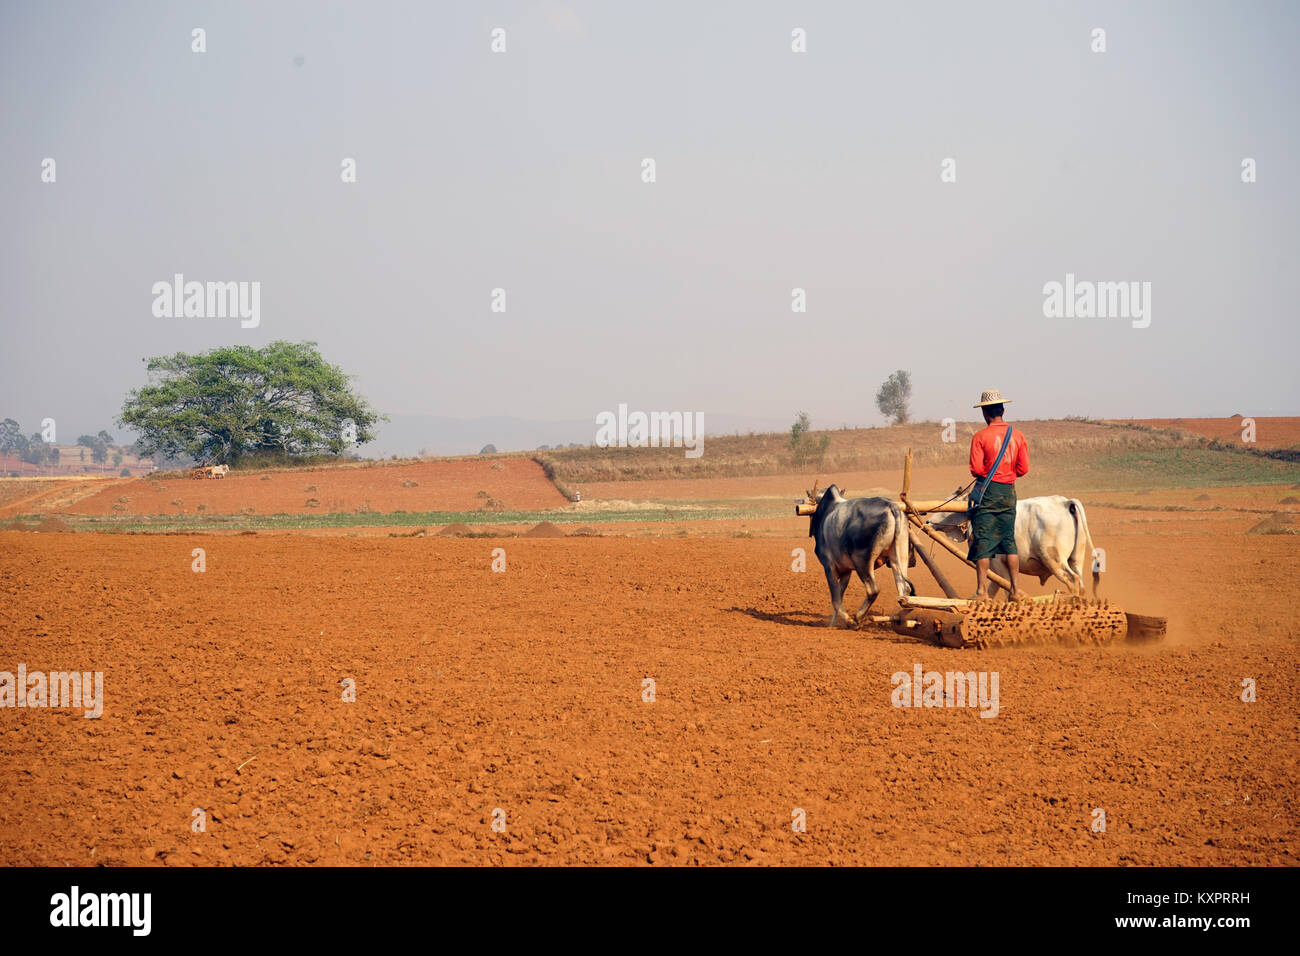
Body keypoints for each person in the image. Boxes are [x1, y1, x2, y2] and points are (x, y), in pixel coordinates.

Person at [967, 389, 1029, 600]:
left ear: (985, 413)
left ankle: (982, 591)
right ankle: (1015, 590)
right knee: (1009, 541)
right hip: (1009, 492)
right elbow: (1023, 469)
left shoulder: (980, 437)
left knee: (984, 541)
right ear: (1002, 410)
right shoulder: (1018, 435)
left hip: (989, 492)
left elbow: (976, 469)